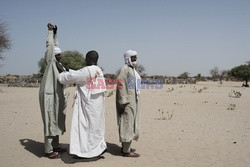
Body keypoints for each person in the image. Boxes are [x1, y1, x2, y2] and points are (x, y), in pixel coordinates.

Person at [58, 50, 107, 159]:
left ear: (87, 59)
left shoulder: (86, 71)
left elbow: (67, 78)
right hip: (98, 106)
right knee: (96, 129)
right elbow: (78, 74)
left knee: (85, 128)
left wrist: (62, 73)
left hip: (88, 106)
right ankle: (97, 149)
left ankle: (86, 153)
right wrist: (68, 70)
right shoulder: (98, 70)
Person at [39, 23, 67, 159]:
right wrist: (50, 32)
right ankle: (48, 150)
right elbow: (50, 46)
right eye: (59, 54)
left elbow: (55, 45)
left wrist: (56, 33)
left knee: (56, 120)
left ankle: (56, 146)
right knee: (50, 120)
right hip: (49, 96)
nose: (61, 56)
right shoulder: (51, 62)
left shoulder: (58, 65)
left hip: (57, 96)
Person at [116, 50, 141, 158]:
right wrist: (122, 102)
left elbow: (131, 87)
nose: (135, 59)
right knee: (127, 124)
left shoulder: (132, 70)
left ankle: (125, 147)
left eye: (136, 57)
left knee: (130, 124)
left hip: (133, 101)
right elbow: (120, 84)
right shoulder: (125, 69)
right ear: (128, 58)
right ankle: (126, 151)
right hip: (126, 103)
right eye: (133, 57)